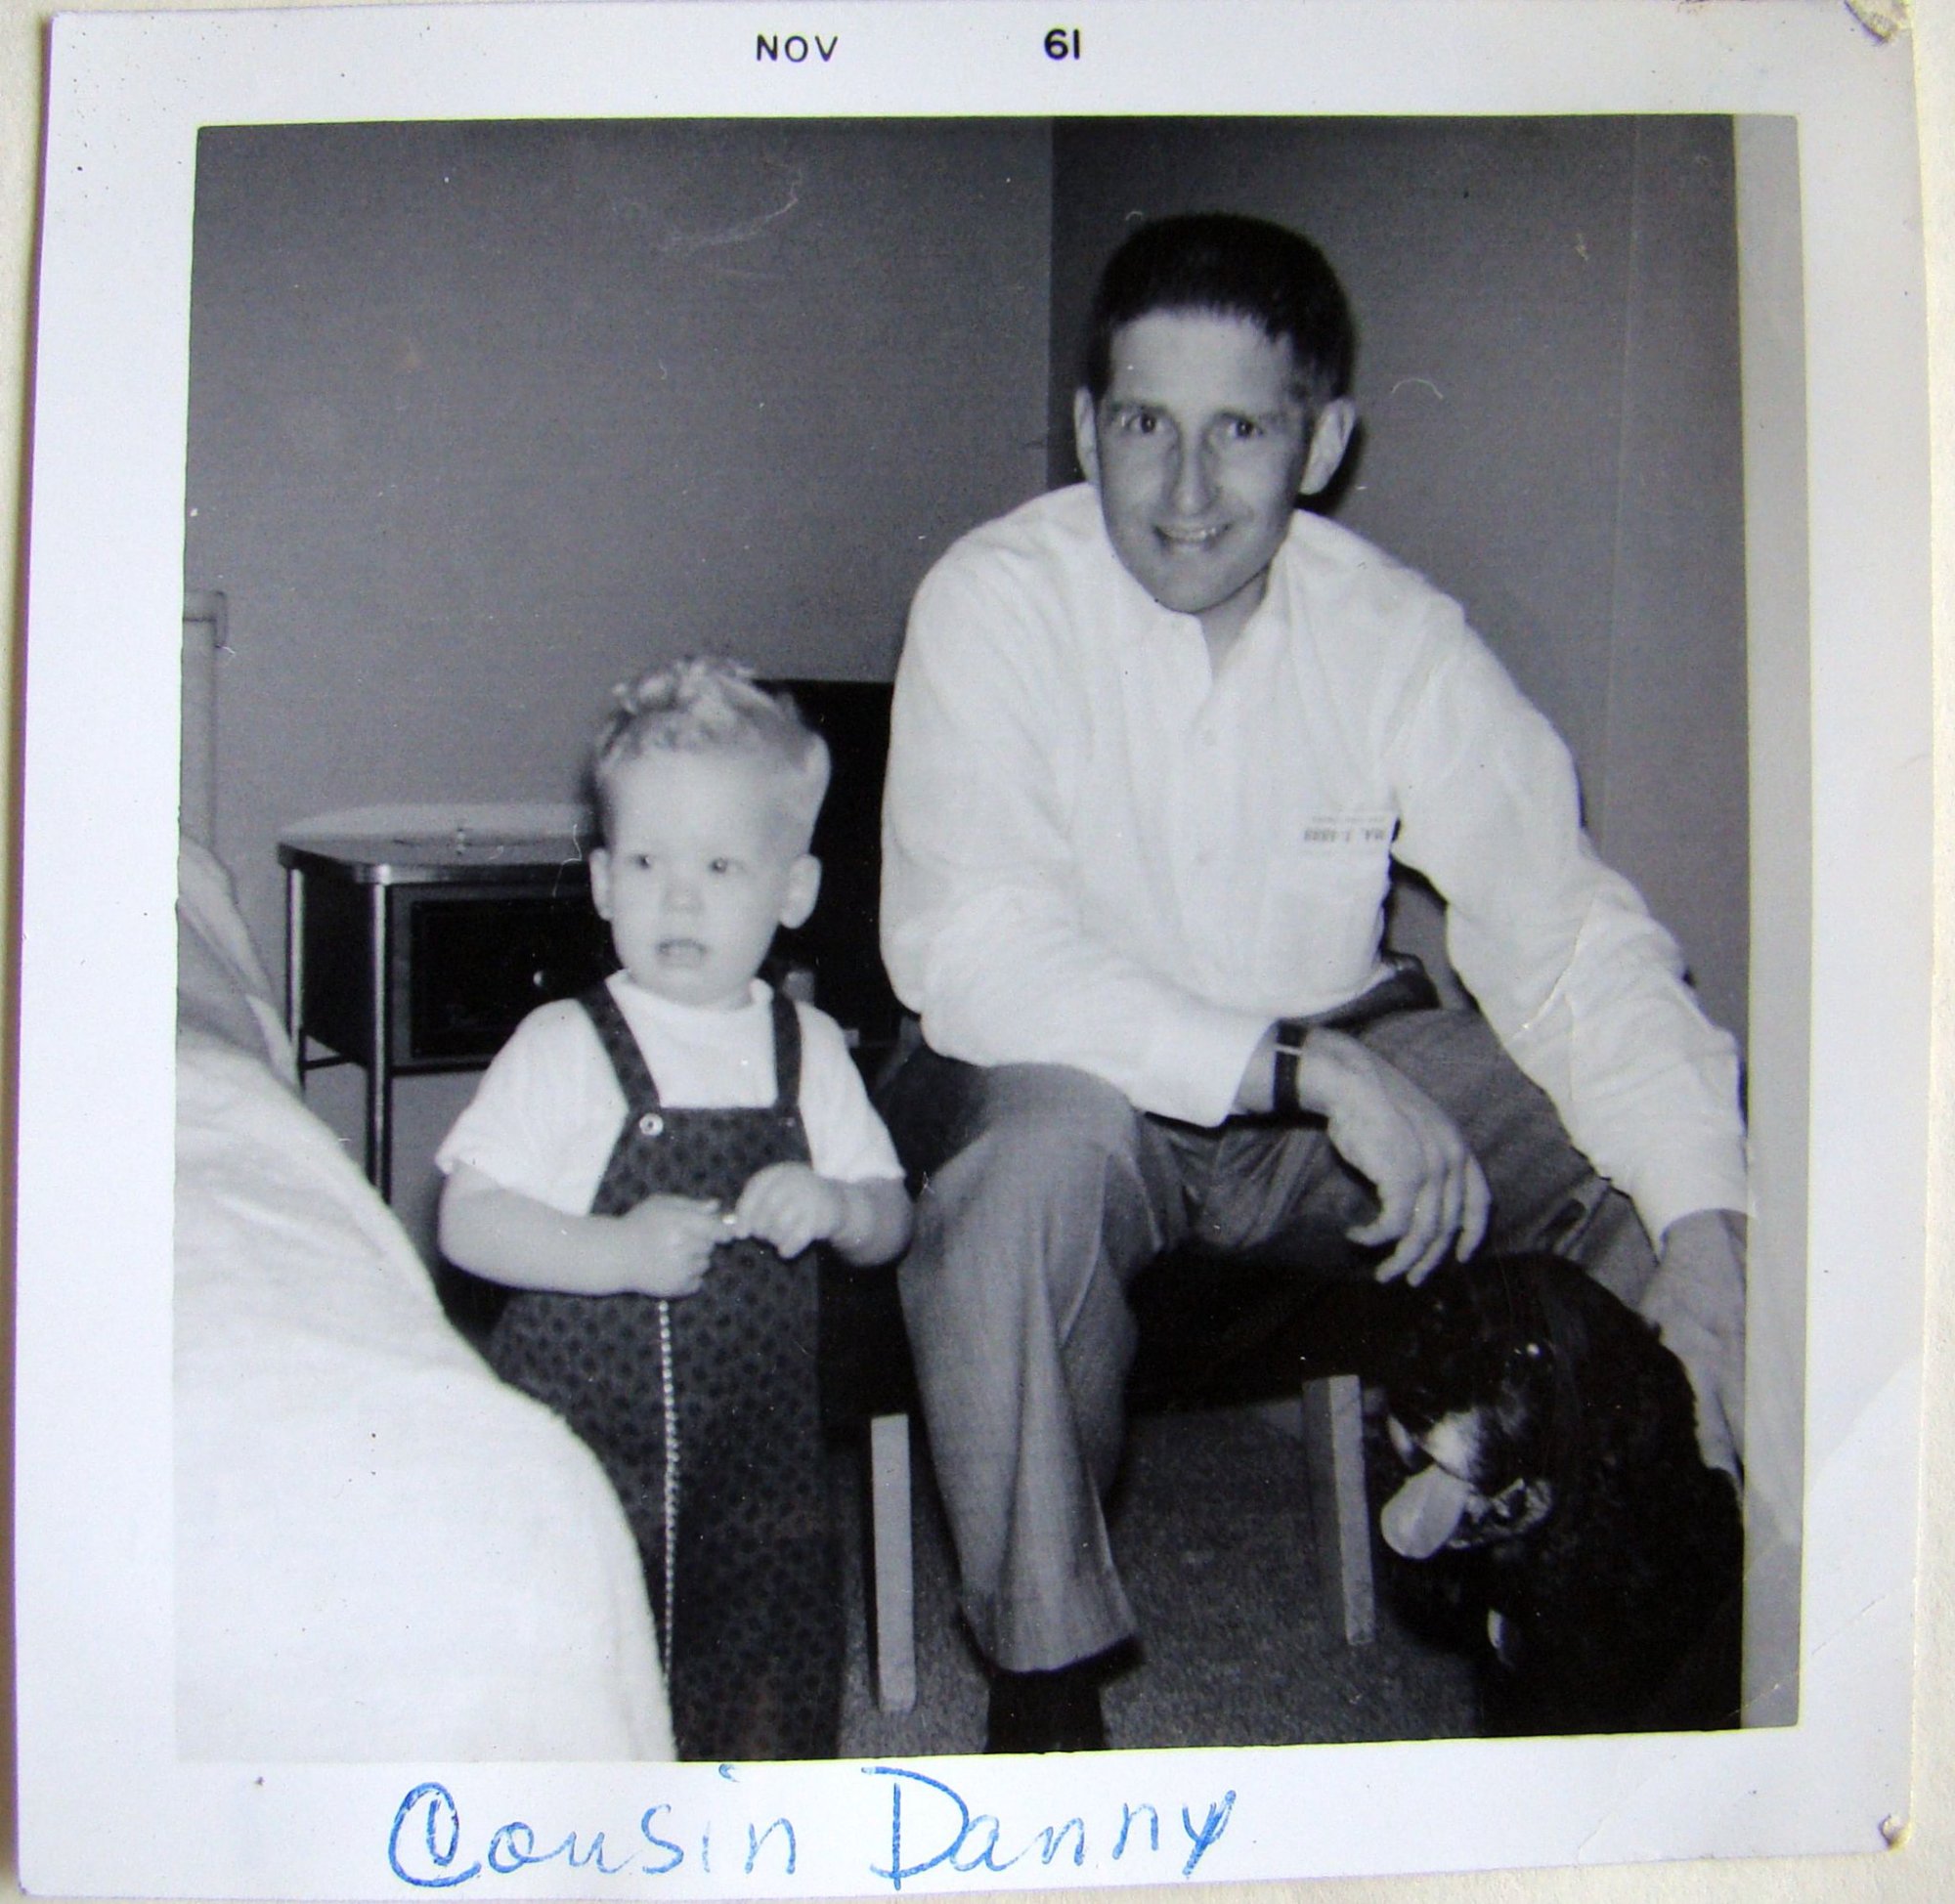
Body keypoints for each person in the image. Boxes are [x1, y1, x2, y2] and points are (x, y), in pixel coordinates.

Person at [877, 212, 1748, 1753]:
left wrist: (1702, 1222)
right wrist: (1308, 1068)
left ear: (1325, 441)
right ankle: (1045, 1687)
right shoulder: (994, 597)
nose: (1187, 491)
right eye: (1146, 424)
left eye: (1243, 431)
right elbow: (977, 951)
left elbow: (1562, 934)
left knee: (1655, 1180)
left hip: (1324, 1091)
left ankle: (1584, 1618)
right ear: (1088, 429)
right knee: (1029, 1178)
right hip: (1068, 1089)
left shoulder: (1398, 637)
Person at [438, 656, 912, 1761]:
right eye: (647, 860)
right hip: (583, 1457)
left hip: (764, 1470)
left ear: (791, 891)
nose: (679, 895)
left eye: (718, 864)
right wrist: (611, 1251)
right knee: (571, 1683)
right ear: (602, 880)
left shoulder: (814, 1053)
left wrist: (839, 1203)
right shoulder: (565, 1047)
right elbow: (468, 1220)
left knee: (764, 1680)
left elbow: (895, 1218)